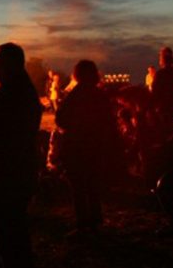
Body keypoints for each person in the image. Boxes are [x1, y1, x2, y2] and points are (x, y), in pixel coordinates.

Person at [0, 43, 42, 268]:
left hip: (9, 172)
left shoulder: (9, 92)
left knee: (8, 235)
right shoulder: (23, 88)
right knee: (17, 231)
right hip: (22, 168)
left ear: (9, 64)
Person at [55, 60, 116, 232]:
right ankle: (96, 219)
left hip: (77, 146)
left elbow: (61, 119)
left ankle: (83, 223)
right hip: (96, 145)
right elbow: (109, 121)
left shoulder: (76, 94)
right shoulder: (99, 94)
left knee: (79, 186)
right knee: (92, 183)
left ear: (77, 74)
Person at [151, 47, 173, 130]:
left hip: (165, 108)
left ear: (163, 59)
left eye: (160, 57)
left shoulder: (161, 73)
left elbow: (155, 90)